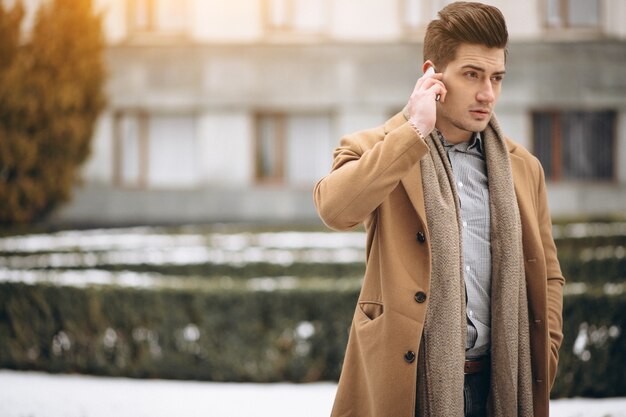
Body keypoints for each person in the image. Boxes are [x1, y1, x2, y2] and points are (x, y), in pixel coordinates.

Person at [313, 2, 564, 416]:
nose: (488, 93)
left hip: (499, 385)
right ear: (433, 75)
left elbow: (549, 274)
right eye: (472, 75)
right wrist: (414, 131)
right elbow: (335, 209)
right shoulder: (381, 147)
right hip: (408, 386)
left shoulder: (523, 168)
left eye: (496, 77)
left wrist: (543, 352)